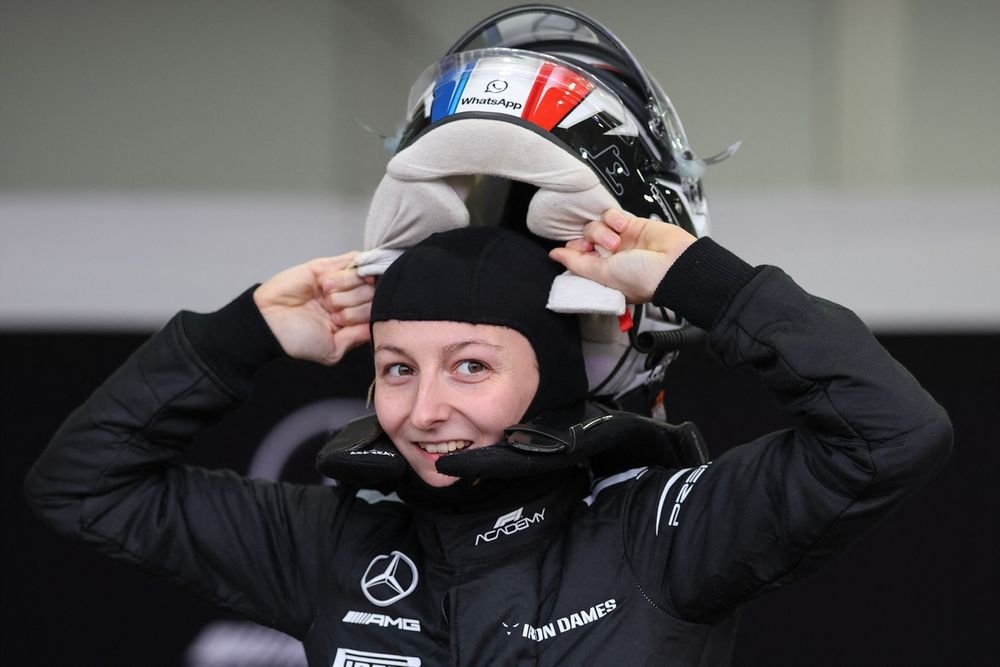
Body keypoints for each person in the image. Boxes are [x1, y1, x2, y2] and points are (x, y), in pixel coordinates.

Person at [24, 6, 952, 665]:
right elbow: (82, 483)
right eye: (396, 368)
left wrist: (703, 282)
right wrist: (242, 333)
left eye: (471, 365)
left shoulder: (664, 533)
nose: (425, 409)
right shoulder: (332, 543)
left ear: (558, 371)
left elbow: (892, 432)